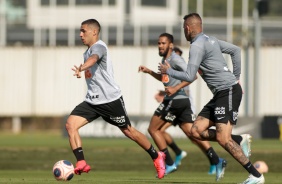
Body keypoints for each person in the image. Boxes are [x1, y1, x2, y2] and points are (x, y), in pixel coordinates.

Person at [159, 13, 264, 184]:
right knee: (195, 131)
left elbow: (190, 74)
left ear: (188, 28)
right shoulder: (210, 40)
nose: (183, 31)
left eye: (183, 28)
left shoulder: (197, 46)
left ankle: (256, 176)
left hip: (228, 91)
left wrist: (168, 71)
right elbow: (235, 50)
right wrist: (236, 76)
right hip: (221, 93)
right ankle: (238, 139)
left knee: (223, 139)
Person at [66, 18, 166, 179]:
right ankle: (81, 162)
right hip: (92, 101)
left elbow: (94, 59)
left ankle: (157, 156)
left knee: (129, 131)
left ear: (94, 32)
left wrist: (82, 67)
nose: (80, 34)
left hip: (110, 100)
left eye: (83, 31)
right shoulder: (87, 51)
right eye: (80, 31)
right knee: (71, 125)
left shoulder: (99, 47)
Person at [138, 33, 226, 176]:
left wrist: (175, 89)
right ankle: (217, 160)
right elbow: (164, 78)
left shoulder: (175, 59)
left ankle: (170, 164)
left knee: (153, 129)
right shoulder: (165, 59)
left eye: (163, 43)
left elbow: (193, 75)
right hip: (181, 101)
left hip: (175, 100)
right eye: (159, 43)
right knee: (194, 134)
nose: (160, 46)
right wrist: (149, 72)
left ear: (171, 45)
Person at [154, 47, 215, 174]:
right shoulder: (170, 66)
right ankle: (213, 159)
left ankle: (214, 159)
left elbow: (185, 85)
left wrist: (172, 90)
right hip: (175, 104)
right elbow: (168, 83)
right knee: (189, 135)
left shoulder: (179, 67)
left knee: (192, 135)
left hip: (182, 106)